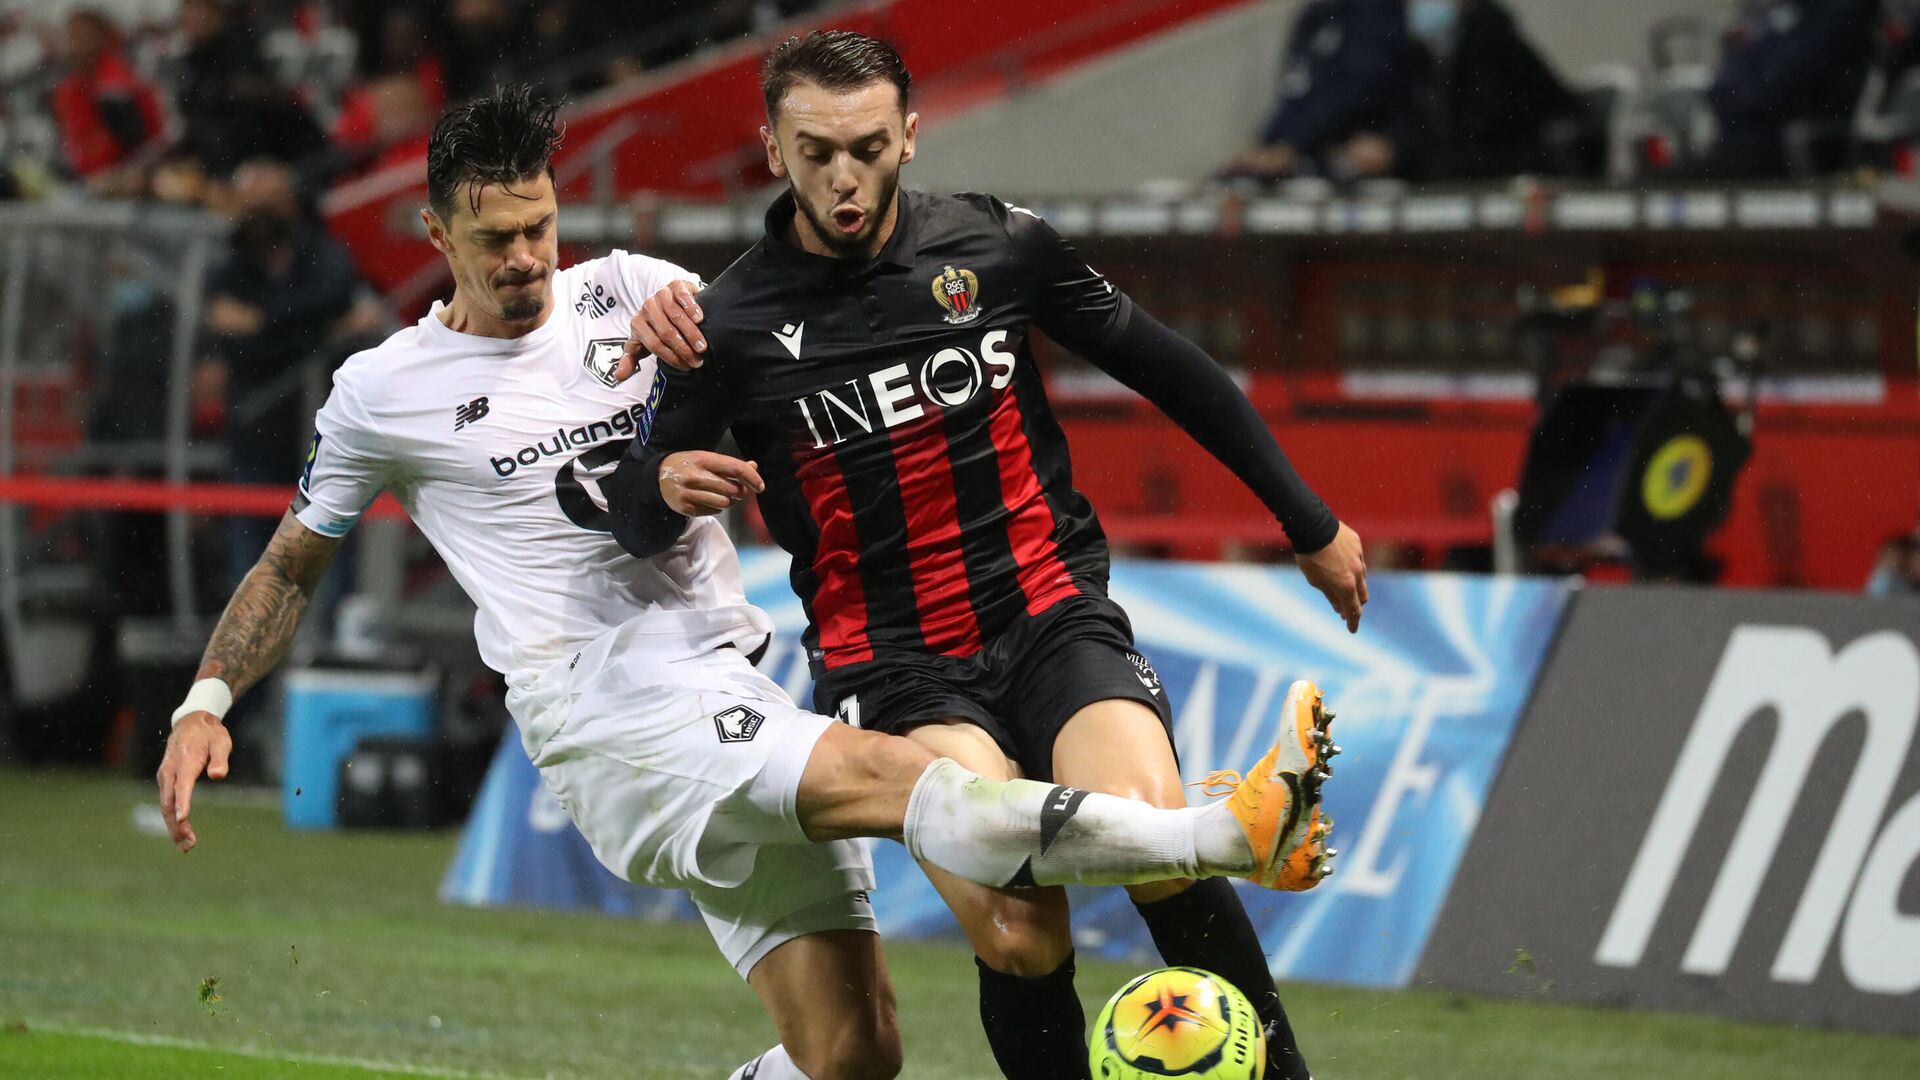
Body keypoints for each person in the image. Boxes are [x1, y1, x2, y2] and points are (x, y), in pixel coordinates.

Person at [155, 83, 1334, 1080]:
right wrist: (208, 700)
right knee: (906, 778)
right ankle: (1218, 835)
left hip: (731, 684)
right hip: (606, 706)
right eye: (491, 240)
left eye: (538, 228)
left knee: (856, 1055)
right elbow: (291, 562)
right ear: (431, 233)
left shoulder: (634, 290)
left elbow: (755, 361)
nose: (524, 262)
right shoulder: (383, 388)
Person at [611, 32, 1362, 1080]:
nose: (844, 176)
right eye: (816, 150)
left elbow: (1169, 367)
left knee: (1153, 843)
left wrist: (1309, 522)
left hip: (1049, 611)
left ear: (910, 137)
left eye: (868, 146)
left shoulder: (999, 245)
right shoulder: (724, 324)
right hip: (896, 664)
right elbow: (631, 515)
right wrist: (656, 486)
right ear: (773, 148)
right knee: (1020, 930)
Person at [1220, 0, 1428, 182]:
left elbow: (1357, 89)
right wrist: (1268, 144)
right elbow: (1295, 90)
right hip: (1304, 152)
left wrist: (1293, 147)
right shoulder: (1315, 15)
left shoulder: (1374, 11)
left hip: (1347, 155)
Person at [1411, 0, 1588, 180]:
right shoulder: (1439, 46)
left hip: (1532, 161)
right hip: (1508, 155)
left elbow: (1485, 125)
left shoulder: (1489, 35)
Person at [1704, 0, 1879, 178]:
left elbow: (1786, 79)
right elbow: (1753, 58)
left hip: (1794, 139)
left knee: (1695, 178)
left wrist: (1735, 92)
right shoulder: (1789, 11)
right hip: (1748, 128)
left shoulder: (1839, 12)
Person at [51, 7, 167, 183]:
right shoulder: (69, 88)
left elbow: (142, 143)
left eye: (82, 35)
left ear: (100, 38)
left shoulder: (118, 85)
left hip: (124, 182)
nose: (75, 43)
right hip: (89, 182)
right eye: (71, 36)